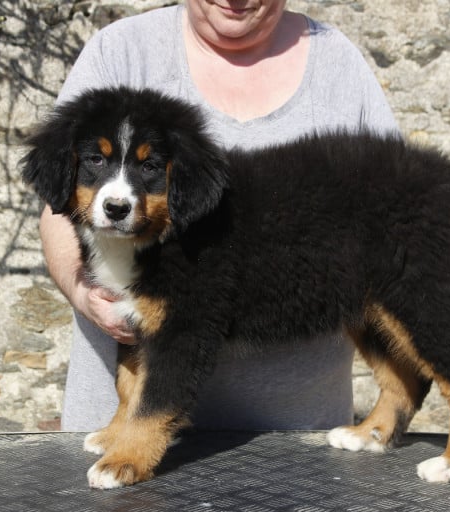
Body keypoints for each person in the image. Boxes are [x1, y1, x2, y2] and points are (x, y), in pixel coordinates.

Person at [39, 0, 400, 432]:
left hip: (296, 433)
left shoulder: (338, 65)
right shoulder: (122, 51)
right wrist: (84, 295)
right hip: (121, 429)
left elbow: (391, 217)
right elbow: (61, 201)